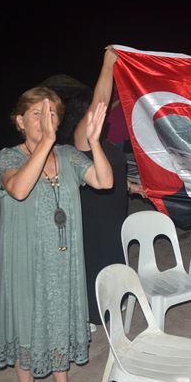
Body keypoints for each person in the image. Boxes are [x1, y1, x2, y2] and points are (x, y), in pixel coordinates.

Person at [0, 87, 113, 382]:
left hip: (63, 257)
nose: (46, 119)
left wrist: (95, 143)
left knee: (61, 315)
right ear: (20, 121)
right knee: (27, 321)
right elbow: (19, 189)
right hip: (25, 258)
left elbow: (105, 181)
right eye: (38, 113)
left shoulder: (68, 155)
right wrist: (45, 142)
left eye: (53, 114)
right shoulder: (8, 156)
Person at [66, 47, 145, 330]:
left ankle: (110, 304)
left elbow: (112, 175)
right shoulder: (82, 140)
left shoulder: (105, 144)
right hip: (95, 220)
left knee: (114, 262)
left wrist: (135, 187)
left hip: (115, 219)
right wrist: (108, 64)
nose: (107, 108)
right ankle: (90, 315)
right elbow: (100, 102)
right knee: (96, 264)